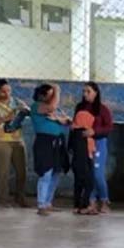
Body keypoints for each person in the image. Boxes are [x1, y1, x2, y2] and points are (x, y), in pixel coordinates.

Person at [0, 80, 30, 208]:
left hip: (17, 140)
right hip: (0, 141)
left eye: (9, 91)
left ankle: (20, 196)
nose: (7, 93)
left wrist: (25, 110)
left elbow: (28, 110)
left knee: (22, 171)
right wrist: (5, 119)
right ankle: (3, 199)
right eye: (3, 91)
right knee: (3, 172)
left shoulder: (16, 102)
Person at [30, 83, 71, 216]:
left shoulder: (53, 110)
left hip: (57, 142)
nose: (53, 97)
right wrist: (57, 90)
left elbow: (66, 120)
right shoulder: (37, 106)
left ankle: (48, 202)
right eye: (50, 95)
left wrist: (60, 119)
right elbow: (52, 107)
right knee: (46, 173)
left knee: (56, 173)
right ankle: (41, 204)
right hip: (45, 142)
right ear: (42, 96)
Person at [74, 82, 114, 213]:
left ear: (96, 93)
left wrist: (94, 131)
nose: (85, 94)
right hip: (84, 144)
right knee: (87, 174)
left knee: (97, 174)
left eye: (88, 91)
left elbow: (108, 127)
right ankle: (90, 202)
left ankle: (104, 199)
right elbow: (76, 124)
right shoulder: (80, 107)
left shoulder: (103, 109)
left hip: (98, 143)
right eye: (84, 91)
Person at [70, 104, 97, 215]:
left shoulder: (74, 131)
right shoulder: (83, 134)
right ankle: (84, 206)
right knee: (89, 183)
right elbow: (86, 151)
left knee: (78, 184)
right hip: (83, 161)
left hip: (77, 161)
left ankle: (77, 206)